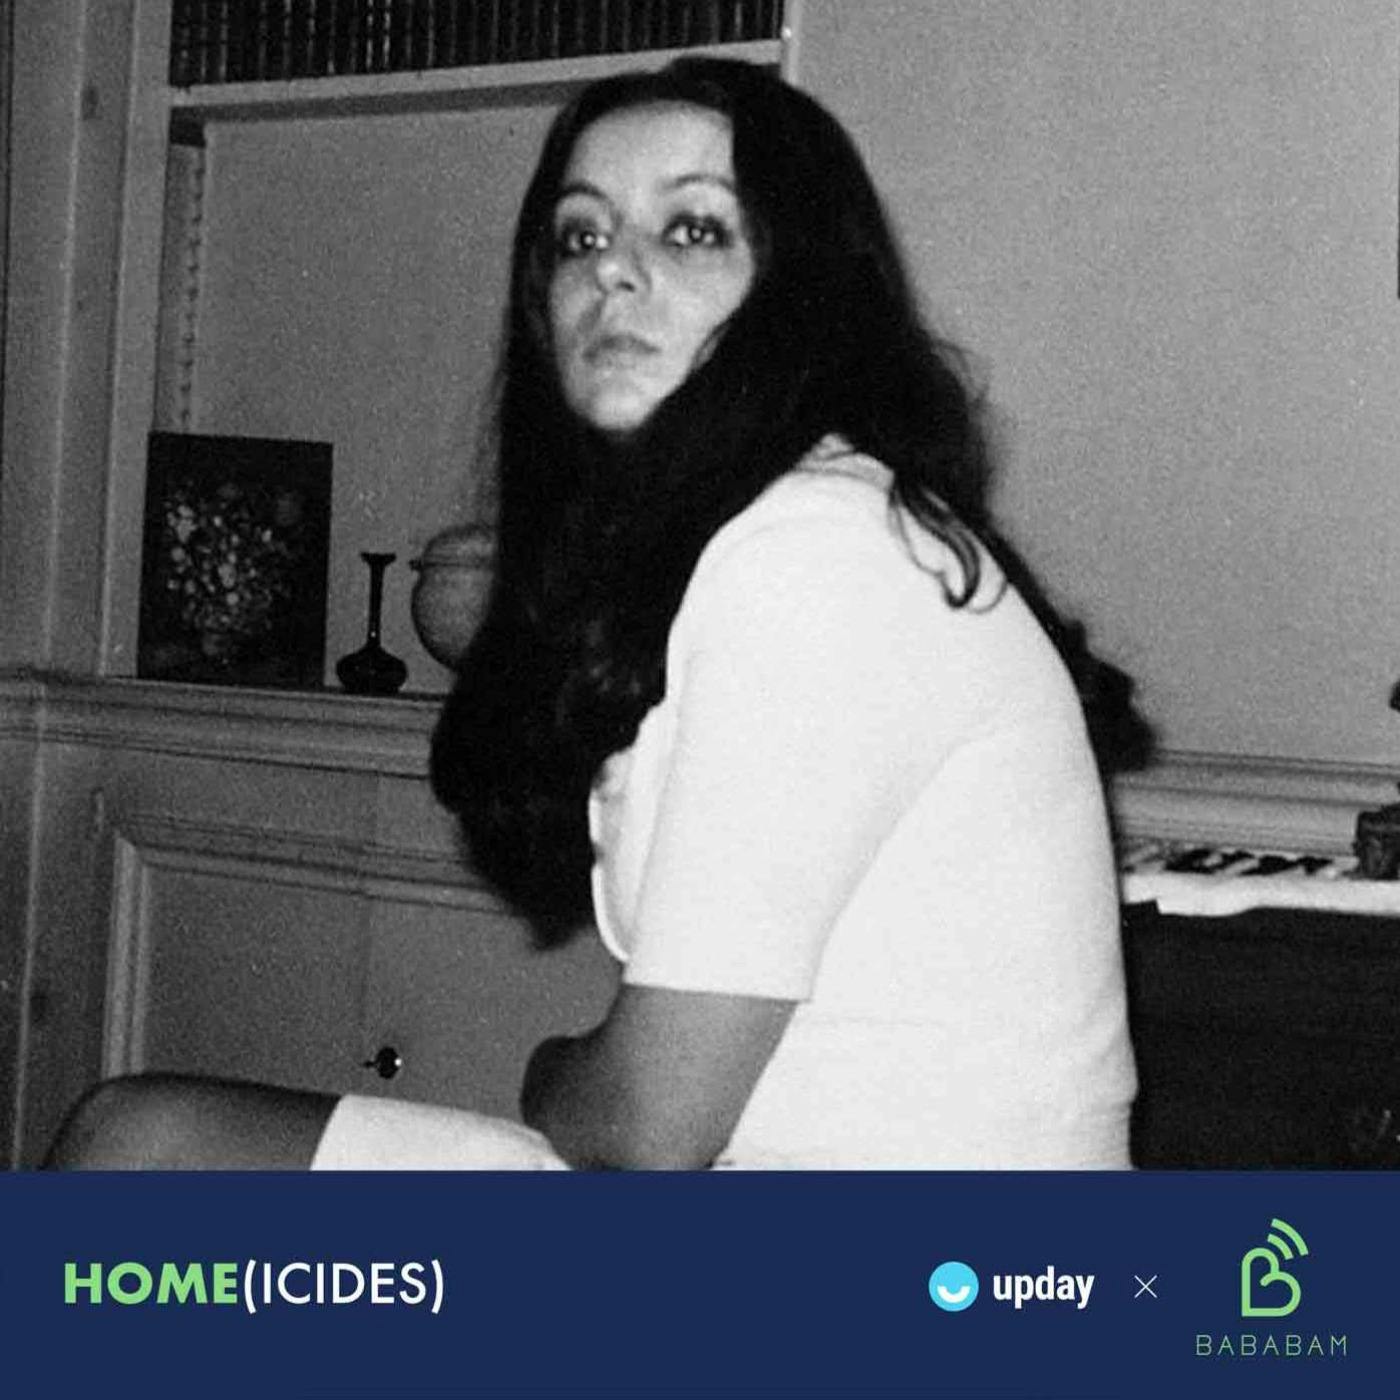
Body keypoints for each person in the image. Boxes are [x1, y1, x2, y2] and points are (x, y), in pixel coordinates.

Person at [47, 56, 1147, 1172]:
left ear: (802, 292)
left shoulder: (816, 553)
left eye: (692, 230)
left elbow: (646, 1127)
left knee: (139, 1155)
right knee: (140, 1142)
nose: (611, 270)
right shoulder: (783, 532)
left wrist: (548, 1070)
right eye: (580, 236)